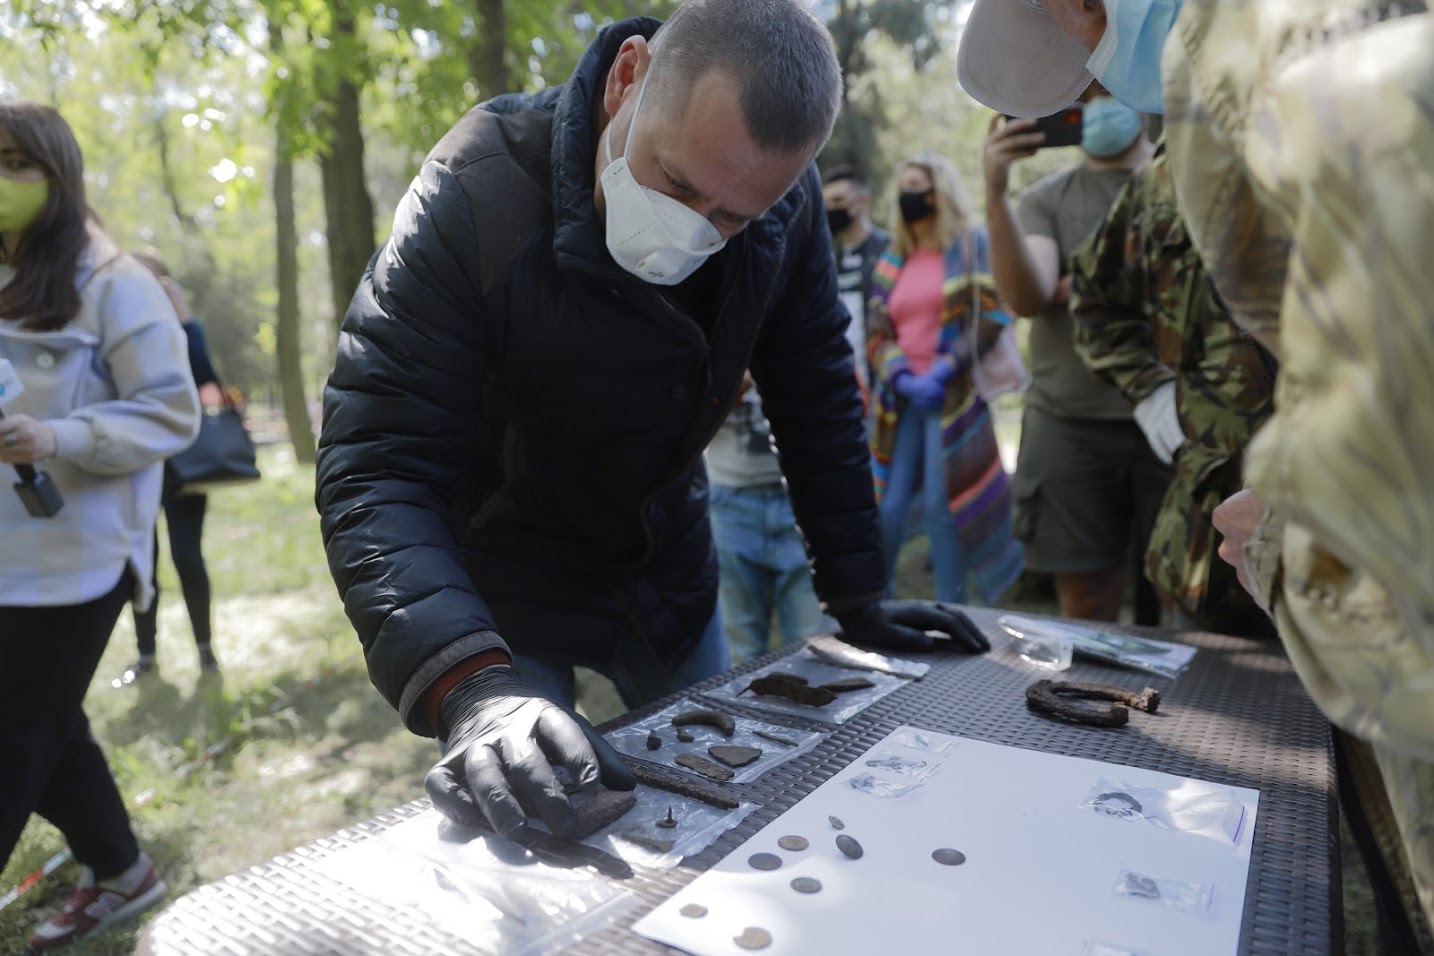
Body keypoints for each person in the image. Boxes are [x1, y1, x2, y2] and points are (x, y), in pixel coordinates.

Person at [316, 0, 988, 847]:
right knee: (528, 823)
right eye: (677, 184)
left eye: (734, 218)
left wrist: (858, 592)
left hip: (661, 555)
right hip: (495, 573)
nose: (696, 231)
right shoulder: (474, 188)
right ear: (628, 77)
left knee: (741, 808)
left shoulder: (789, 204)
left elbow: (814, 388)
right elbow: (379, 455)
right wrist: (470, 686)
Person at [957, 0, 1434, 946]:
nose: (1101, 100)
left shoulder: (1251, 85)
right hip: (1232, 483)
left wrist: (1305, 529)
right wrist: (1157, 401)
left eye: (1090, 80)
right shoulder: (1188, 147)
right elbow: (1079, 300)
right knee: (1231, 698)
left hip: (1330, 531)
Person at [0, 98, 199, 949]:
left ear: (58, 174)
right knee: (48, 725)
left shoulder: (114, 283)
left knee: (12, 738)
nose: (0, 181)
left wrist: (57, 435)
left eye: (17, 163)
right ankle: (123, 871)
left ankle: (121, 873)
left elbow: (172, 413)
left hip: (80, 562)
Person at [1069, 146, 1277, 637]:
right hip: (1210, 546)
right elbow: (1095, 298)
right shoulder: (1168, 177)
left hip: (1368, 551)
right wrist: (1148, 391)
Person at [980, 84, 1168, 624]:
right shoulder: (1046, 200)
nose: (1100, 107)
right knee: (1085, 611)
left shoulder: (1179, 187)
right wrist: (995, 194)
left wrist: (1080, 284)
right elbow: (1029, 296)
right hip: (1072, 428)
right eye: (1084, 98)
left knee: (1192, 606)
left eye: (1112, 91)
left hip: (1178, 422)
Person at [866, 151, 1023, 605]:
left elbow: (994, 313)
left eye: (918, 184)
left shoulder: (970, 245)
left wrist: (947, 366)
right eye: (904, 186)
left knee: (944, 506)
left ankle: (950, 609)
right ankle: (877, 605)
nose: (908, 194)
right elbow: (878, 330)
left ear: (939, 191)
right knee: (886, 508)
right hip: (900, 398)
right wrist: (898, 371)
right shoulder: (893, 258)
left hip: (951, 395)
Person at [120, 250, 224, 683]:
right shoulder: (120, 327)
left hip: (187, 465)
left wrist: (184, 317)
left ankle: (205, 652)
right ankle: (146, 656)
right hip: (136, 463)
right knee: (141, 563)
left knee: (186, 555)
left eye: (153, 280)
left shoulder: (181, 331)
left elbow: (207, 381)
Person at [705, 374, 835, 663]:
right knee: (738, 653)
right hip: (729, 500)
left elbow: (842, 399)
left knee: (817, 652)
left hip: (806, 497)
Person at [821, 165, 889, 392]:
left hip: (883, 381)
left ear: (862, 201)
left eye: (838, 199)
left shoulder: (889, 251)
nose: (831, 208)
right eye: (826, 202)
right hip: (840, 383)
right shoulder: (824, 258)